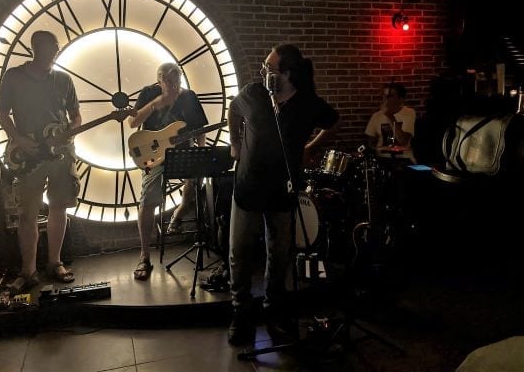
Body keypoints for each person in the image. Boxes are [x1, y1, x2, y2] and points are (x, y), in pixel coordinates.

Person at [227, 44, 340, 346]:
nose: (263, 72)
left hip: (283, 188)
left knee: (279, 253)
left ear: (287, 74)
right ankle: (240, 312)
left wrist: (311, 148)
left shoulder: (307, 103)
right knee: (240, 251)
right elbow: (233, 109)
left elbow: (333, 121)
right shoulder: (254, 93)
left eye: (269, 69)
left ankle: (273, 309)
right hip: (249, 185)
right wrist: (234, 143)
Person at [0, 30, 80, 294]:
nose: (51, 54)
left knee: (58, 207)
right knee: (27, 214)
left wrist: (69, 133)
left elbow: (75, 116)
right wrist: (18, 139)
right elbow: (1, 112)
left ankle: (55, 263)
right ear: (35, 49)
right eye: (48, 49)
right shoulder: (14, 77)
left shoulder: (64, 79)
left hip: (61, 153)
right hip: (29, 155)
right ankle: (28, 271)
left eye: (54, 50)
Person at [128, 63, 208, 280]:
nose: (174, 87)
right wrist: (157, 103)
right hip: (155, 157)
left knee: (197, 180)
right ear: (159, 81)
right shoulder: (149, 93)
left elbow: (200, 129)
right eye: (169, 83)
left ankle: (178, 214)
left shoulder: (189, 97)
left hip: (183, 152)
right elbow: (133, 122)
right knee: (148, 199)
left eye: (177, 82)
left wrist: (201, 152)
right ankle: (144, 255)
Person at [364, 82, 416, 159]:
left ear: (400, 99)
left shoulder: (409, 113)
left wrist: (389, 115)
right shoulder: (377, 115)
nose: (385, 99)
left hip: (403, 159)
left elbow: (403, 141)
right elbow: (369, 141)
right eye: (384, 96)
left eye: (390, 96)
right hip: (382, 158)